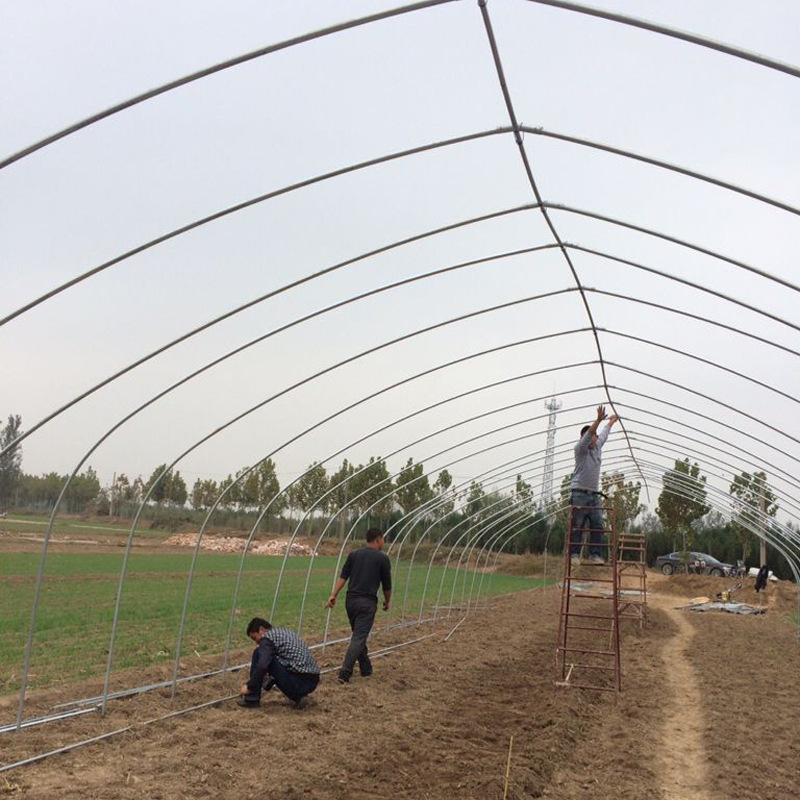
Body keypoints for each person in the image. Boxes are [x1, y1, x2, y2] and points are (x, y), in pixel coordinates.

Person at [326, 527, 392, 684]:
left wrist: (333, 594)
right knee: (359, 637)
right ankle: (345, 672)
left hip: (351, 602)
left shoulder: (354, 555)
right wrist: (387, 601)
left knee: (358, 635)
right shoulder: (383, 558)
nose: (384, 542)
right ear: (378, 539)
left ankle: (366, 668)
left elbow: (343, 577)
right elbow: (387, 585)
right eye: (383, 539)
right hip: (367, 603)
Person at [569, 405, 618, 565]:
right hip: (579, 494)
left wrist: (611, 422)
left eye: (595, 437)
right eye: (590, 437)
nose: (594, 439)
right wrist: (597, 420)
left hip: (594, 495)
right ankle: (574, 555)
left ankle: (594, 554)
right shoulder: (580, 449)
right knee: (578, 526)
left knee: (598, 526)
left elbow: (603, 434)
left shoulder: (597, 447)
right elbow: (591, 433)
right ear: (584, 439)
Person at [238, 617, 320, 709]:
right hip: (313, 679)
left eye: (254, 638)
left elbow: (262, 665)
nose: (257, 642)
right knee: (268, 659)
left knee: (258, 653)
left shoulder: (267, 638)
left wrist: (249, 686)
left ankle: (252, 699)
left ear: (262, 629)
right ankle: (299, 697)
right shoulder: (283, 632)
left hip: (298, 681)